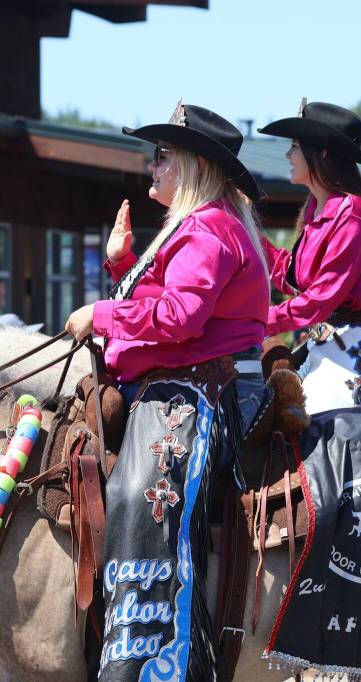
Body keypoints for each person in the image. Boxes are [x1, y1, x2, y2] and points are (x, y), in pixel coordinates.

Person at [64, 101, 269, 680]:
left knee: (138, 493)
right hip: (182, 379)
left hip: (202, 389)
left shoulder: (208, 227)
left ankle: (153, 660)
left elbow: (179, 317)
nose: (151, 167)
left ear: (195, 165)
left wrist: (100, 314)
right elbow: (161, 301)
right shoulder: (200, 224)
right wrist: (123, 261)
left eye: (162, 156)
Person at [257, 99, 361, 414]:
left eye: (294, 146)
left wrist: (255, 321)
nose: (287, 155)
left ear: (321, 152)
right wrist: (248, 236)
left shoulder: (353, 213)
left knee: (319, 422)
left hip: (359, 346)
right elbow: (295, 277)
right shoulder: (317, 206)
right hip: (327, 340)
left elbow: (320, 298)